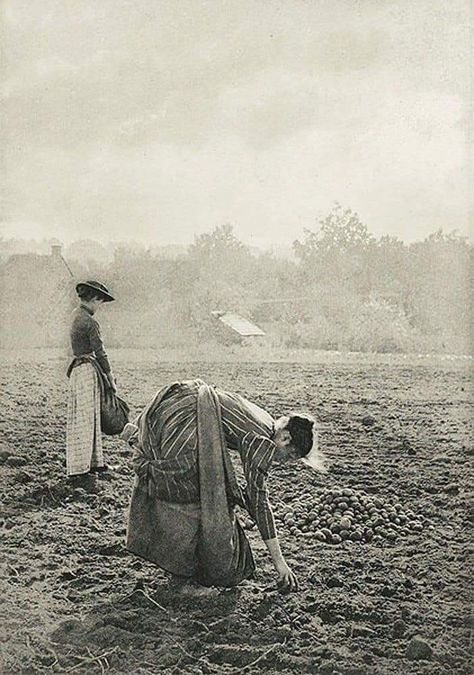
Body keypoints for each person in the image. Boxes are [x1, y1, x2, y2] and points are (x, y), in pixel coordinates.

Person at [121, 378, 326, 596]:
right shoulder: (262, 442)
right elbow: (259, 501)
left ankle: (182, 572)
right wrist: (280, 563)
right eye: (289, 456)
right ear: (285, 438)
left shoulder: (267, 421)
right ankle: (183, 581)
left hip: (177, 401)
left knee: (199, 490)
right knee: (192, 494)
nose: (282, 462)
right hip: (185, 419)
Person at [66, 280, 117, 479]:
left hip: (78, 371)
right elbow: (100, 353)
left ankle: (93, 464)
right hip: (88, 371)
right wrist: (110, 378)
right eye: (100, 302)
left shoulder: (75, 316)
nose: (99, 307)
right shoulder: (90, 321)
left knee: (84, 417)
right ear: (94, 299)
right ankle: (83, 468)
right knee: (88, 418)